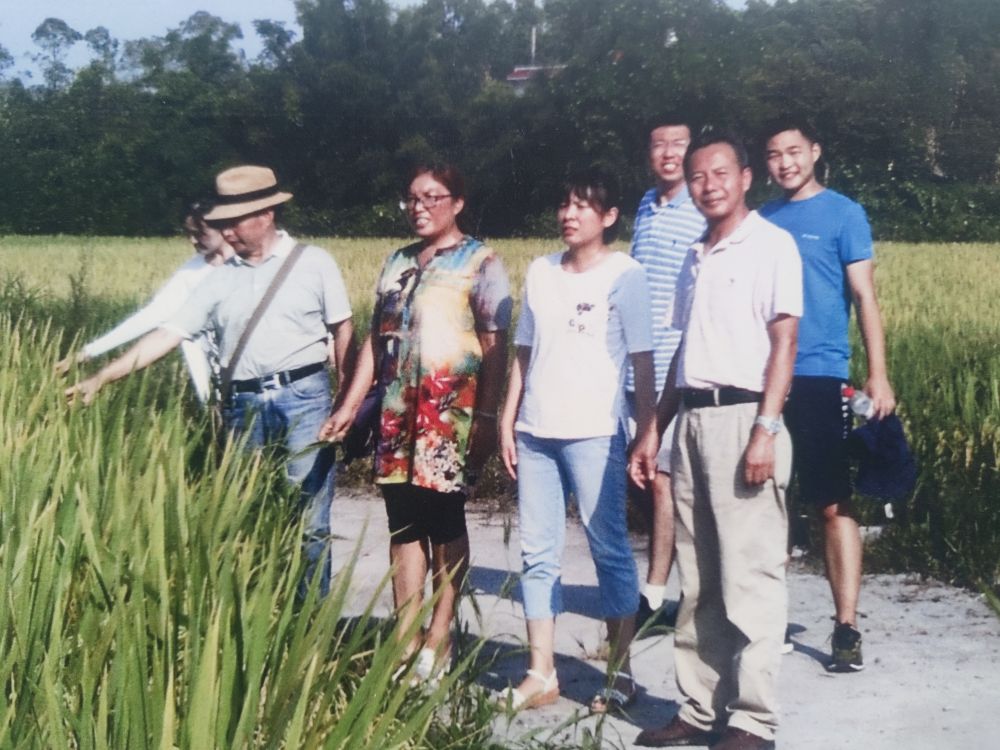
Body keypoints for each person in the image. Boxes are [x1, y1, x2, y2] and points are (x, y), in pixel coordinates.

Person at [66, 165, 354, 597]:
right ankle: (261, 612)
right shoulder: (217, 278)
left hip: (304, 399)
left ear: (266, 215)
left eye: (233, 222)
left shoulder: (314, 263)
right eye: (222, 223)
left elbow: (344, 332)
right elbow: (167, 334)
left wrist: (347, 403)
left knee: (310, 521)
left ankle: (311, 620)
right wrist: (102, 377)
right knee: (245, 515)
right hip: (243, 408)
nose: (226, 232)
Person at [630, 131, 801, 750]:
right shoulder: (694, 254)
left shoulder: (771, 245)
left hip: (746, 418)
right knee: (698, 575)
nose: (709, 186)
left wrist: (765, 430)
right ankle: (699, 709)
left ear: (746, 177)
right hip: (693, 420)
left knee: (750, 575)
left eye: (721, 173)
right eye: (698, 176)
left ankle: (753, 721)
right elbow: (685, 348)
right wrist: (654, 428)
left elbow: (785, 342)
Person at [321, 163, 511, 684]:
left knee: (445, 524)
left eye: (432, 197)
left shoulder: (481, 262)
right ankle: (405, 639)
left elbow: (495, 348)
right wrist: (348, 404)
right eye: (412, 198)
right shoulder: (397, 262)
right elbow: (374, 342)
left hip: (450, 418)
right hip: (396, 416)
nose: (419, 207)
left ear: (458, 202)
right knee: (403, 524)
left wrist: (488, 416)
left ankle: (440, 637)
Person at [498, 168, 657, 714]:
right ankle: (540, 672)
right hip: (536, 431)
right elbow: (524, 350)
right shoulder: (540, 271)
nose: (569, 215)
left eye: (583, 206)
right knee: (537, 553)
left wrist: (647, 432)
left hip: (595, 432)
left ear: (609, 217)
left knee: (609, 549)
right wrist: (509, 418)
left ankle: (620, 673)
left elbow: (643, 361)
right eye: (565, 204)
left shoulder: (626, 274)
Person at [760, 117, 896, 673]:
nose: (785, 162)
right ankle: (765, 621)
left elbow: (864, 297)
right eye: (774, 154)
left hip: (820, 374)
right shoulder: (760, 219)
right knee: (761, 501)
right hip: (765, 378)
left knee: (832, 502)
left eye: (794, 151)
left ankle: (846, 626)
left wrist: (877, 374)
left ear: (815, 151)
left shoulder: (844, 213)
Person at [626, 115, 707, 632]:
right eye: (659, 144)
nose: (669, 153)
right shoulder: (644, 206)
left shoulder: (701, 207)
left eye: (679, 143)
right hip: (635, 365)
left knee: (662, 479)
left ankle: (655, 596)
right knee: (641, 475)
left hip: (676, 367)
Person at [55, 204, 234, 404]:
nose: (192, 240)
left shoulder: (252, 267)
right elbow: (155, 316)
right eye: (188, 233)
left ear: (225, 228)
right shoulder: (192, 270)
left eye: (200, 233)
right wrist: (89, 352)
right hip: (210, 380)